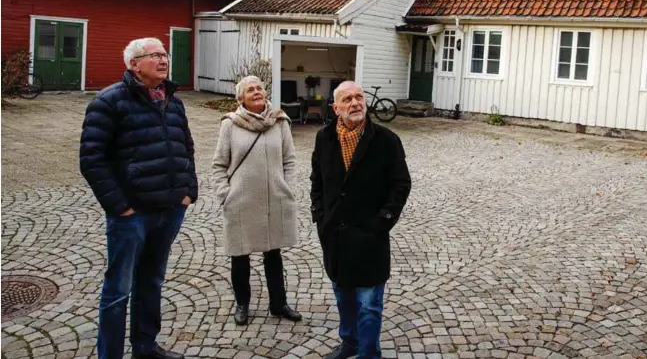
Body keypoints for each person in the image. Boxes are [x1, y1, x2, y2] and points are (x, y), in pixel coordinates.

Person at [79, 38, 197, 359]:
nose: (163, 60)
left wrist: (188, 192)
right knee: (118, 290)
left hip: (170, 209)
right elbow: (92, 160)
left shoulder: (172, 100)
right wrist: (121, 207)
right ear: (134, 64)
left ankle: (145, 347)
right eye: (155, 55)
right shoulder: (108, 102)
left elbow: (185, 147)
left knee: (152, 282)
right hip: (132, 215)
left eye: (164, 54)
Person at [310, 81, 411, 359]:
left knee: (369, 305)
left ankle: (368, 353)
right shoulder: (324, 137)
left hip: (369, 237)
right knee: (344, 299)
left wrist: (381, 223)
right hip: (335, 236)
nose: (355, 103)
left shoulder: (386, 140)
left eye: (358, 97)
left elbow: (400, 185)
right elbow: (316, 180)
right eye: (347, 99)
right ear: (336, 107)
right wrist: (319, 214)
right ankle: (349, 343)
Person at [211, 76, 303, 325]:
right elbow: (219, 164)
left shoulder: (279, 121)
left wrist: (289, 189)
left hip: (274, 199)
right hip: (241, 200)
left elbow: (289, 160)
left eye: (259, 88)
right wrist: (225, 195)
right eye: (250, 90)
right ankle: (242, 303)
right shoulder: (230, 124)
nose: (256, 92)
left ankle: (279, 304)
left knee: (273, 253)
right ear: (240, 98)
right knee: (240, 254)